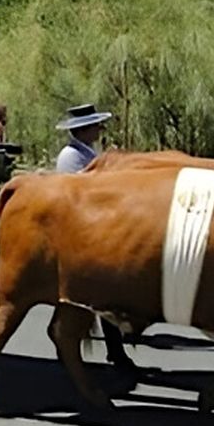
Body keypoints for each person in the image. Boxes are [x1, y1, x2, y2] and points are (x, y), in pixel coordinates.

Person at [52, 104, 138, 376]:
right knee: (103, 290)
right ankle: (113, 348)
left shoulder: (85, 153)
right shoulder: (71, 157)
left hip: (94, 225)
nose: (99, 131)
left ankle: (115, 348)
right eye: (95, 126)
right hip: (81, 228)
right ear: (84, 129)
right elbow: (81, 189)